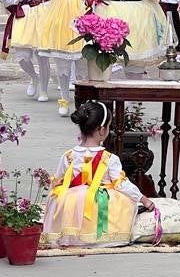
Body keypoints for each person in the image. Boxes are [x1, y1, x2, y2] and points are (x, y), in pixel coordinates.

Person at [41, 100, 154, 248]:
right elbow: (122, 185)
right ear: (102, 130)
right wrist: (144, 199)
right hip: (98, 205)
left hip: (71, 206)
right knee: (123, 202)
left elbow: (57, 182)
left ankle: (68, 233)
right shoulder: (110, 158)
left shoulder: (68, 156)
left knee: (63, 197)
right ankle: (102, 236)